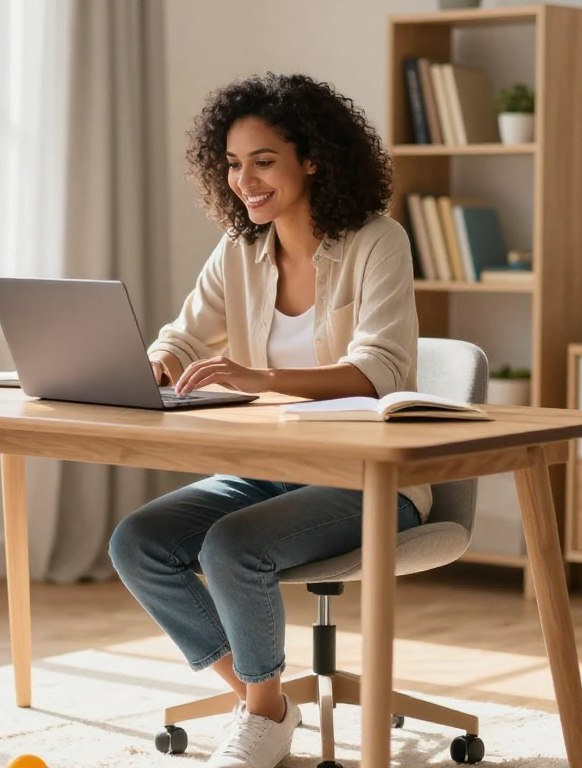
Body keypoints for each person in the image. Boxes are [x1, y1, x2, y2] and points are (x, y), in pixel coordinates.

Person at [108, 73, 427, 768]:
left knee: (232, 546)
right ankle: (266, 702)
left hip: (369, 480)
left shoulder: (379, 241)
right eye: (231, 164)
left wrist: (262, 379)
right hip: (271, 470)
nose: (243, 181)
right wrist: (157, 363)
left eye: (262, 161)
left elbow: (380, 369)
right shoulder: (240, 248)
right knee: (138, 542)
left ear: (311, 158)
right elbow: (185, 335)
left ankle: (260, 714)